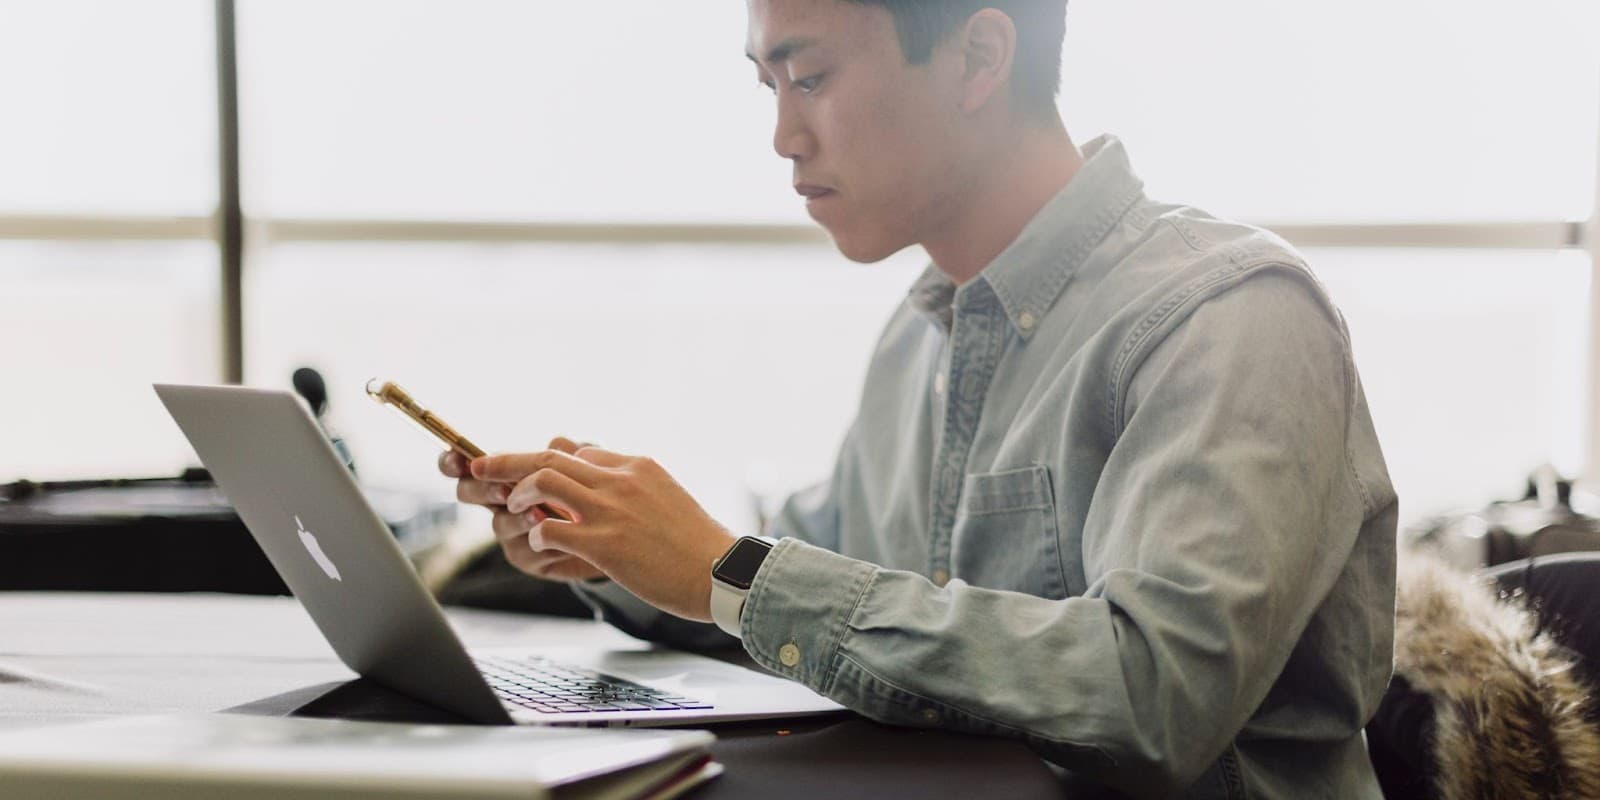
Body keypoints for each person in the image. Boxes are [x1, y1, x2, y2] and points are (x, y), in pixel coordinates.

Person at [441, 1, 1398, 797]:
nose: (782, 137)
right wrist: (618, 550)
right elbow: (812, 605)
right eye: (767, 87)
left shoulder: (1229, 317)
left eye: (808, 78)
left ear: (978, 57)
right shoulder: (919, 337)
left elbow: (1154, 695)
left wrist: (728, 570)